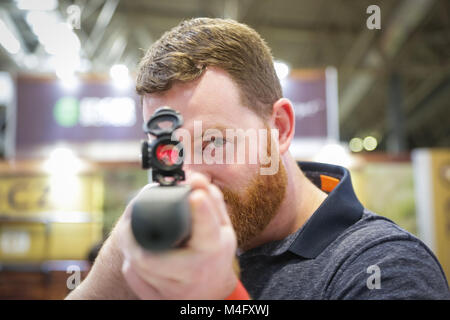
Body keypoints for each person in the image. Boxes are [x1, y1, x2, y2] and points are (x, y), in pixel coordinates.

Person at [66, 18, 449, 300]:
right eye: (170, 151)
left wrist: (220, 297)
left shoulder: (383, 266)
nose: (190, 175)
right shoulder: (182, 245)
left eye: (213, 141)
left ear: (279, 128)